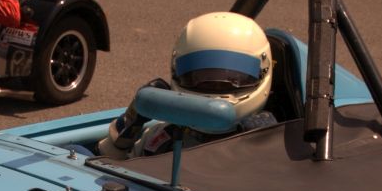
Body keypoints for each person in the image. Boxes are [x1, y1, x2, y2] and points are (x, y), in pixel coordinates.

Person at [96, 11, 276, 159]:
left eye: (231, 78)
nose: (213, 87)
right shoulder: (161, 137)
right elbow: (104, 166)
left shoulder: (276, 149)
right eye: (200, 76)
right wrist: (127, 127)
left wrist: (271, 149)